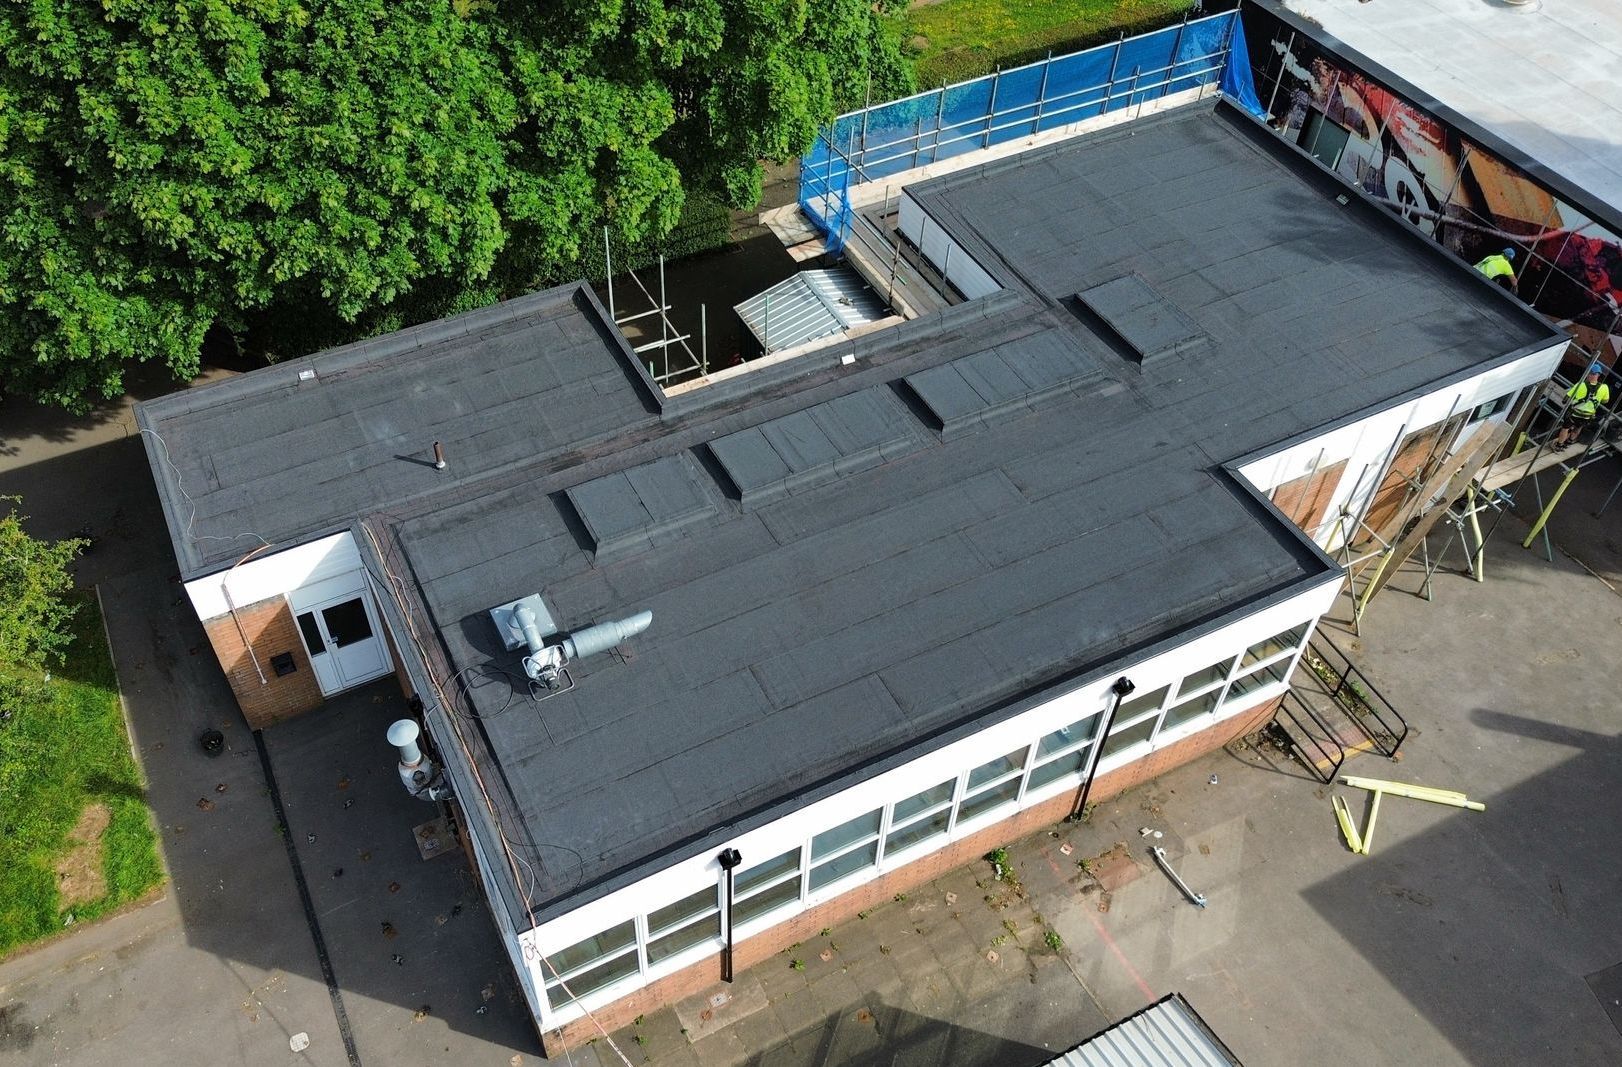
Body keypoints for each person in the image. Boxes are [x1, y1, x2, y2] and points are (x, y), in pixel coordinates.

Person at [1553, 362, 1612, 448]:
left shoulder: (1580, 385)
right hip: (1587, 416)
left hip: (1575, 413)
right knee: (1578, 428)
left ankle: (1559, 445)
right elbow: (1605, 401)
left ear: (1589, 373)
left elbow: (1565, 399)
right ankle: (1569, 442)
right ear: (1598, 375)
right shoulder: (1604, 387)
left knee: (1565, 428)